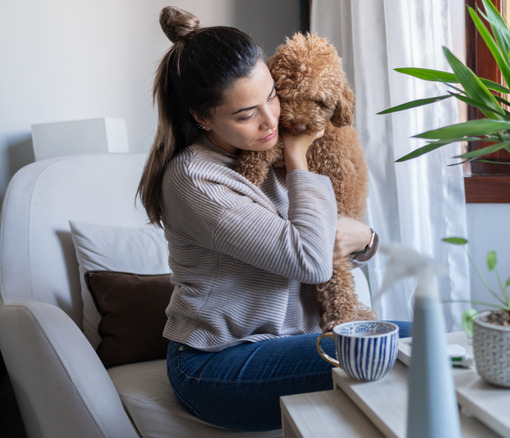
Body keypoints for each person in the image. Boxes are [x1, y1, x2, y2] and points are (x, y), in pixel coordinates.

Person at [137, 6, 410, 432]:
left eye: (271, 95)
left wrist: (368, 239)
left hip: (294, 341)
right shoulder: (194, 179)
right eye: (245, 115)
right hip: (217, 365)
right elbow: (311, 259)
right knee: (404, 351)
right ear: (200, 116)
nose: (271, 120)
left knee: (423, 341)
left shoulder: (269, 149)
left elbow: (334, 239)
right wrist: (300, 158)